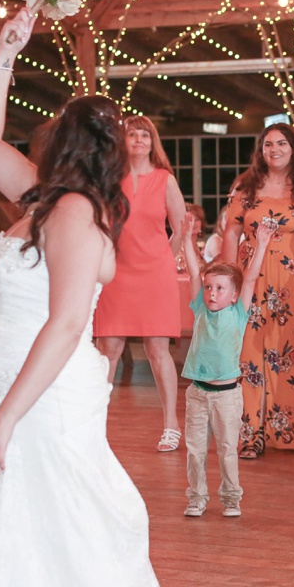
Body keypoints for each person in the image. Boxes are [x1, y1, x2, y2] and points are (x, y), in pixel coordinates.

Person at [0, 6, 172, 587]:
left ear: (65, 143)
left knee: (52, 531)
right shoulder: (43, 196)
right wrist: (5, 52)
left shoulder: (77, 213)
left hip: (38, 398)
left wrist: (4, 420)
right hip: (1, 387)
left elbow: (62, 325)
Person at [219, 123, 294, 457]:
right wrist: (228, 283)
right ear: (261, 150)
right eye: (268, 144)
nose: (275, 150)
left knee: (292, 357)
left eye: (281, 143)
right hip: (250, 282)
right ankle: (251, 435)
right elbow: (230, 234)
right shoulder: (245, 186)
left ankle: (289, 432)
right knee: (248, 357)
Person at [92, 114, 189, 452]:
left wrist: (165, 257)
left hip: (155, 274)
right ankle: (94, 426)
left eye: (145, 136)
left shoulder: (165, 179)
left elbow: (180, 227)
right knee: (109, 350)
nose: (138, 140)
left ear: (152, 142)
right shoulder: (109, 179)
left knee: (157, 350)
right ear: (124, 141)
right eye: (132, 134)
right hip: (116, 272)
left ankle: (171, 425)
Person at [180, 212, 277, 518]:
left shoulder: (237, 313)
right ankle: (196, 497)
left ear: (234, 296)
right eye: (209, 288)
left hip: (227, 396)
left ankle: (231, 498)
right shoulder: (200, 309)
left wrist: (261, 243)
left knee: (226, 450)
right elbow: (195, 272)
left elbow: (249, 277)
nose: (212, 293)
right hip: (197, 393)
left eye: (220, 289)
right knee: (195, 451)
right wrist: (185, 238)